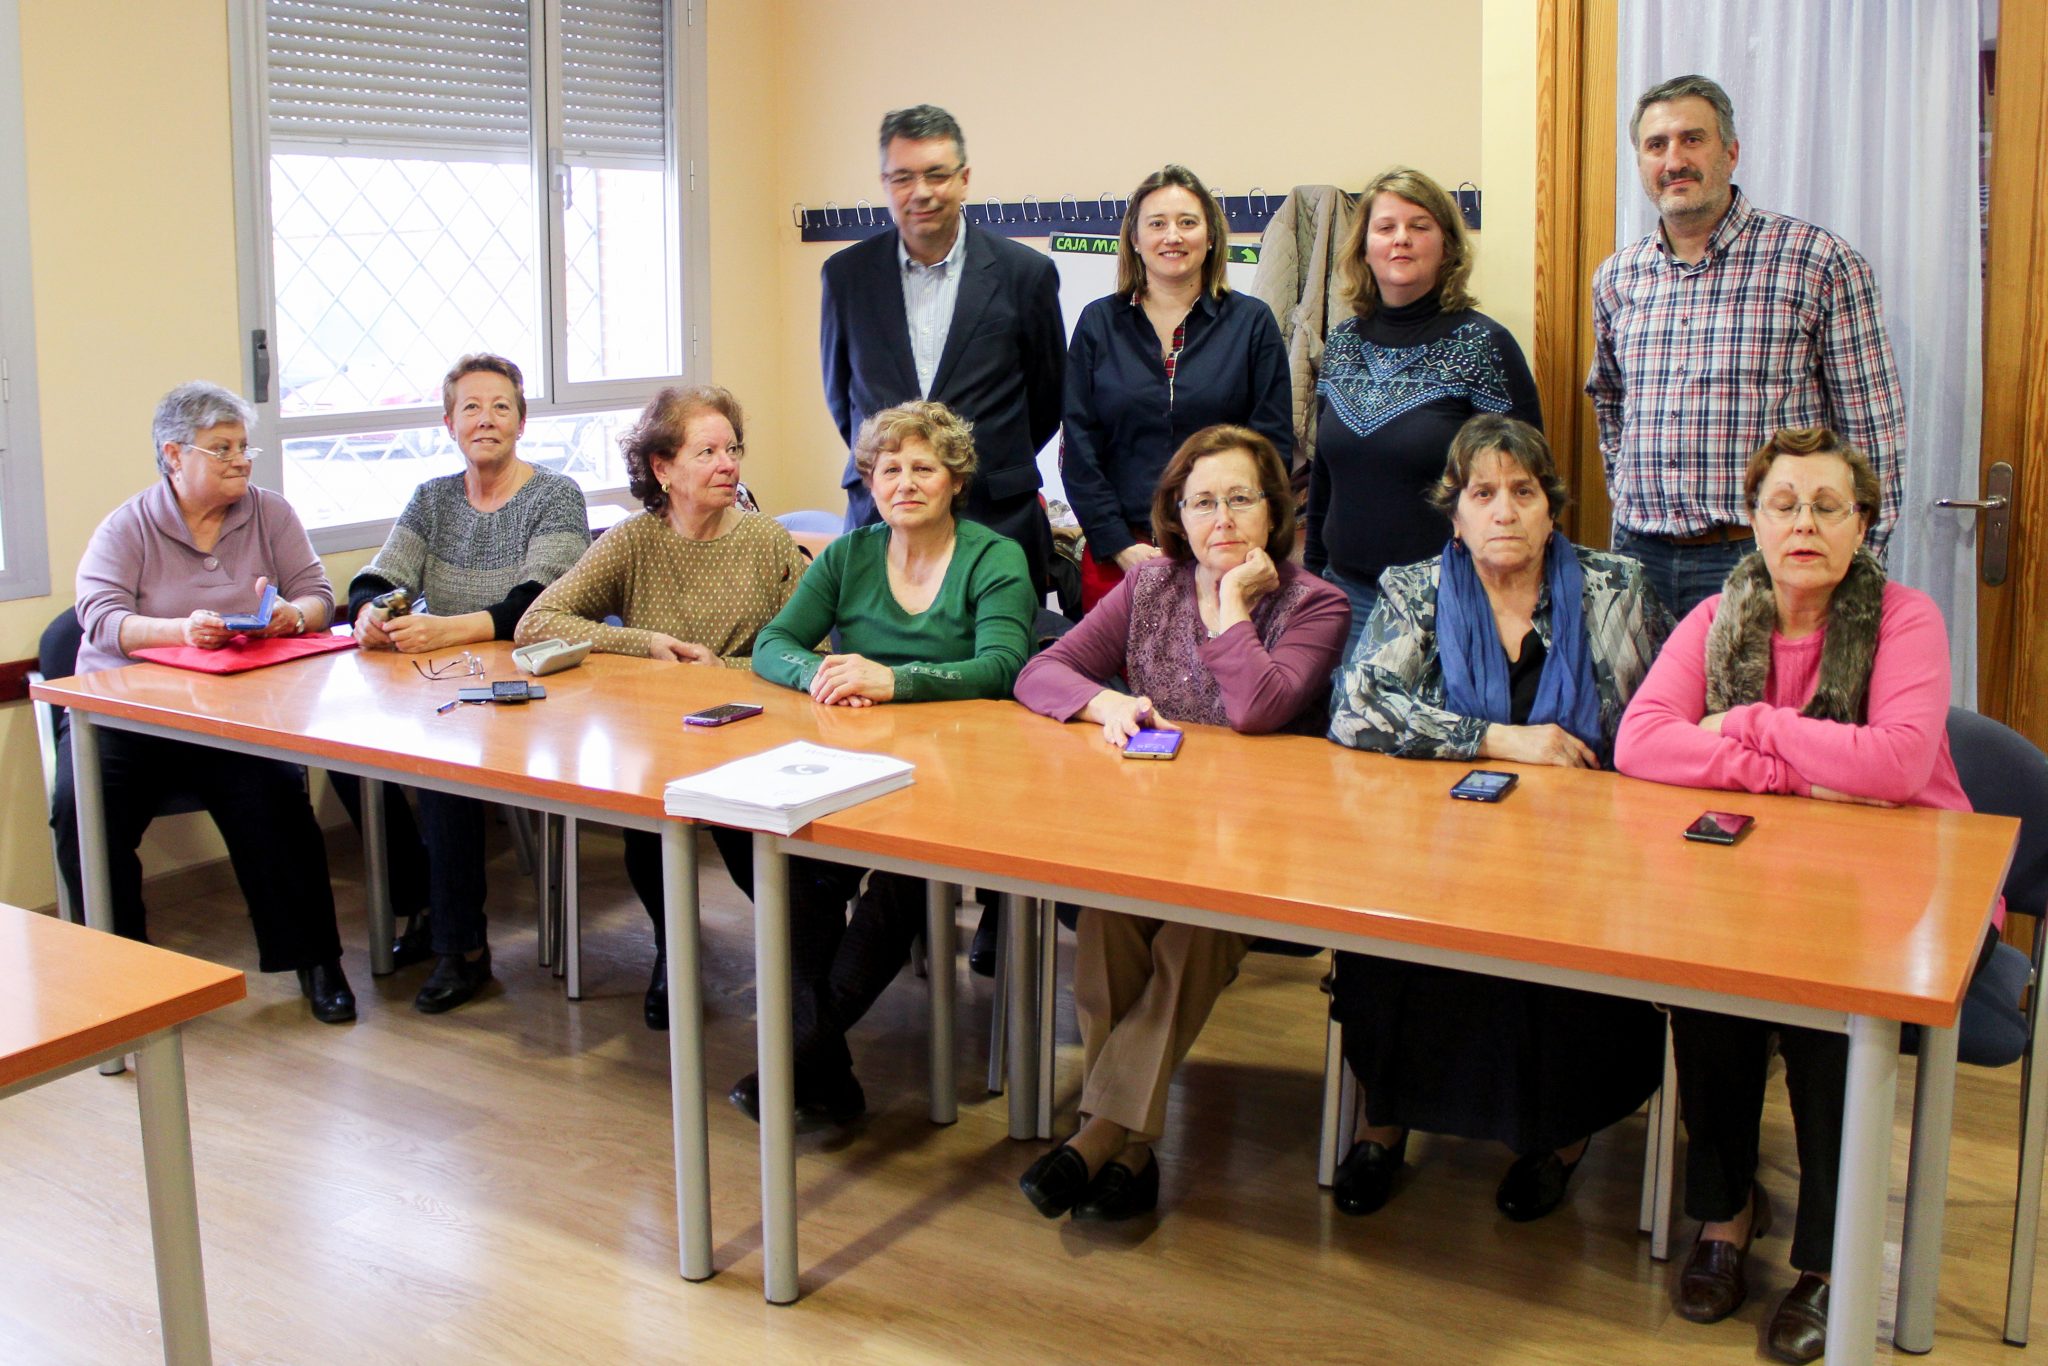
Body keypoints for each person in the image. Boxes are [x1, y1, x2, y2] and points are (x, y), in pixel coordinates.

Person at [1614, 426, 1993, 1364]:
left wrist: (1743, 722)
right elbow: (1642, 742)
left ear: (1863, 523)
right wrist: (1794, 771)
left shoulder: (1905, 619)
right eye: (1784, 505)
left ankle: (1829, 1262)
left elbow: (1901, 764)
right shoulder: (1715, 617)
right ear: (1753, 520)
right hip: (1760, 872)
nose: (1805, 524)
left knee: (1833, 1022)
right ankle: (1725, 1218)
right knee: (1708, 999)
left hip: (1904, 883)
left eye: (1829, 507)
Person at [1325, 414, 1669, 1223]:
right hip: (1439, 846)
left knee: (1564, 946)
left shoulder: (1616, 589)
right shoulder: (1418, 588)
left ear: (1553, 507)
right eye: (1484, 493)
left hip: (1582, 854)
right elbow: (1357, 709)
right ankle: (1384, 1120)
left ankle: (1559, 1135)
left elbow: (1657, 727)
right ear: (1456, 511)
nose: (1504, 511)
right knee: (1388, 937)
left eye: (1523, 491)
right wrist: (1500, 739)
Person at [1012, 425, 1347, 1220]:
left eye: (1240, 499)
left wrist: (1233, 607)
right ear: (1177, 514)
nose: (1221, 519)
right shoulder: (1151, 585)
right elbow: (1041, 670)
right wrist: (1106, 701)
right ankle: (1125, 1146)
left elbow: (1260, 711)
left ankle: (1096, 1135)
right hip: (1149, 829)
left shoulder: (1316, 603)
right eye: (1202, 502)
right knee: (1107, 916)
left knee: (1194, 926)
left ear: (1276, 510)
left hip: (1259, 845)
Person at [735, 400, 1035, 1127]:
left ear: (956, 479)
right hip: (853, 767)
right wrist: (820, 675)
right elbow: (774, 644)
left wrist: (893, 680)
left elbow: (1003, 666)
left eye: (923, 468)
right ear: (869, 481)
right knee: (801, 867)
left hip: (965, 777)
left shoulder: (994, 556)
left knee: (904, 878)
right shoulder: (848, 554)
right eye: (888, 468)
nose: (904, 482)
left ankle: (801, 1048)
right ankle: (823, 1067)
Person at [56, 381, 355, 1022]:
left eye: (244, 447)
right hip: (126, 718)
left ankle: (317, 963)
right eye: (221, 449)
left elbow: (318, 594)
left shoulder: (270, 512)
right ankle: (123, 975)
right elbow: (101, 619)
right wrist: (179, 630)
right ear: (173, 455)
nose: (241, 461)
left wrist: (290, 619)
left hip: (227, 712)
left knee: (277, 800)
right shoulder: (129, 524)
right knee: (80, 812)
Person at [517, 385, 807, 1029]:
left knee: (743, 841)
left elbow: (805, 651)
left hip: (753, 733)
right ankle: (671, 951)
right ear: (662, 468)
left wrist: (722, 668)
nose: (728, 464)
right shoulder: (632, 540)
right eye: (706, 452)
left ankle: (804, 966)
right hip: (662, 739)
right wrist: (643, 642)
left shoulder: (766, 541)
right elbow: (538, 622)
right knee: (650, 821)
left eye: (732, 449)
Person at [1587, 74, 1906, 619]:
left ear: (1731, 152)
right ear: (1640, 162)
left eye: (1693, 139)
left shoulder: (1818, 262)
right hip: (1640, 561)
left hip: (1763, 558)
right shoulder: (1618, 277)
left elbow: (1873, 438)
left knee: (1753, 708)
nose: (1674, 160)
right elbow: (1610, 401)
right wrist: (1625, 496)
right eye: (1656, 145)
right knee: (1649, 708)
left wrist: (1852, 569)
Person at [335, 354, 590, 1014]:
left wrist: (446, 629)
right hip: (442, 684)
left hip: (534, 692)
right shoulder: (432, 497)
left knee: (444, 768)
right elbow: (380, 577)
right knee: (340, 759)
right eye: (471, 408)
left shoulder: (554, 495)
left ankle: (462, 949)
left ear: (522, 421)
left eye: (501, 406)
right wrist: (372, 612)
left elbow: (540, 604)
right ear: (449, 423)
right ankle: (424, 903)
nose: (486, 419)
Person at [819, 103, 1064, 600]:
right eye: (904, 177)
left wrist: (974, 461)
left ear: (964, 178)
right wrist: (895, 460)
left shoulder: (1024, 274)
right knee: (871, 669)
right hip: (882, 519)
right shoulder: (846, 277)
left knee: (1001, 672)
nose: (922, 192)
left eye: (936, 174)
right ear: (885, 183)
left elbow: (1048, 398)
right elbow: (843, 397)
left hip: (996, 517)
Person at [1306, 166, 1542, 665]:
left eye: (1419, 225)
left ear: (1447, 246)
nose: (1401, 240)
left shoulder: (1485, 345)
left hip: (1448, 601)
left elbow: (1526, 488)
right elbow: (1325, 473)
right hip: (1344, 594)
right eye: (1386, 227)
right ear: (1364, 247)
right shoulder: (1344, 343)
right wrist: (1311, 576)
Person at [1060, 164, 1292, 613]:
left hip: (1225, 552)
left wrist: (1233, 537)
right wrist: (1116, 543)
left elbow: (1271, 448)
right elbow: (1079, 445)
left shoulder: (1252, 323)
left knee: (1221, 676)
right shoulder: (1098, 323)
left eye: (1188, 222)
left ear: (1210, 237)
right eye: (1157, 224)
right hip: (1120, 554)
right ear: (1134, 238)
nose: (1173, 236)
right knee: (1111, 681)